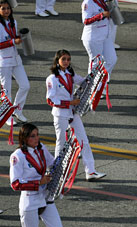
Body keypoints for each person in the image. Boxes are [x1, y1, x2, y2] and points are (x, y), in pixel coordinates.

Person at [46, 49, 106, 181]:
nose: (66, 62)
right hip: (60, 114)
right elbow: (50, 100)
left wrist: (97, 76)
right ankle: (57, 173)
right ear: (57, 61)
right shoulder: (52, 78)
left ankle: (90, 171)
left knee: (84, 140)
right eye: (63, 59)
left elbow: (85, 82)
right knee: (61, 144)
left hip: (72, 113)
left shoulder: (69, 74)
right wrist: (70, 102)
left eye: (68, 59)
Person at [9, 123, 64, 227]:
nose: (36, 138)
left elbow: (53, 163)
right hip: (30, 201)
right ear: (24, 138)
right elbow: (15, 183)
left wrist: (67, 159)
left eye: (37, 134)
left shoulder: (41, 148)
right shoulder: (17, 156)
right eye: (32, 136)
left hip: (45, 197)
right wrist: (38, 182)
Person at [0, 0, 30, 126]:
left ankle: (18, 110)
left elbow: (13, 37)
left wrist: (21, 37)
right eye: (3, 8)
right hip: (3, 61)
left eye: (8, 8)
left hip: (16, 59)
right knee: (7, 91)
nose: (6, 10)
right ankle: (6, 116)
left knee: (25, 85)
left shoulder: (13, 22)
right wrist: (13, 42)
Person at [81, 0, 117, 97]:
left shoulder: (103, 0)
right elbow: (86, 21)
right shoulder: (88, 2)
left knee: (111, 60)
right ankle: (93, 88)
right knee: (96, 63)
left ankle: (100, 83)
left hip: (105, 35)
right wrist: (101, 15)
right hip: (93, 37)